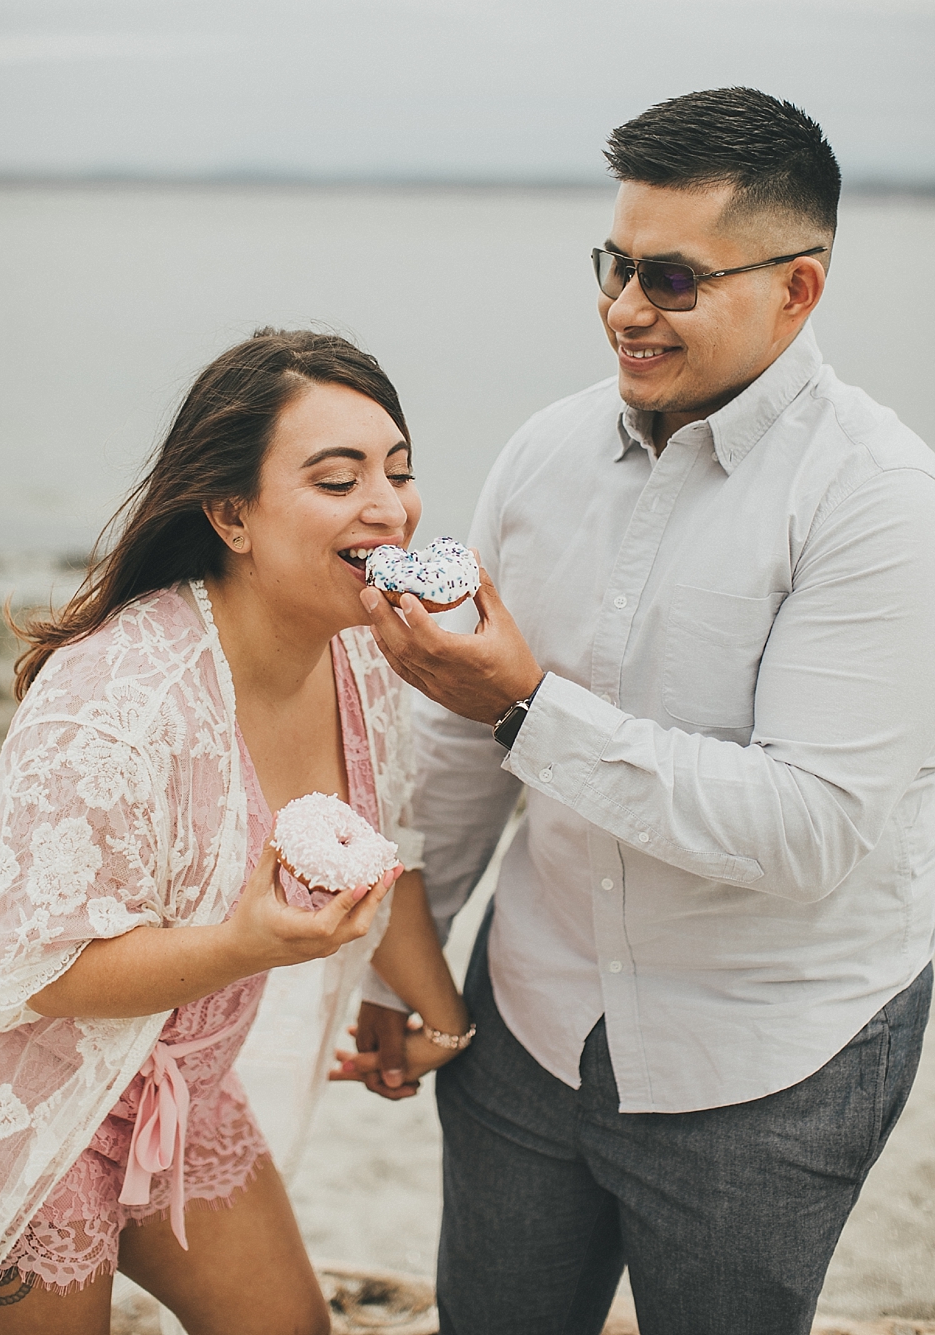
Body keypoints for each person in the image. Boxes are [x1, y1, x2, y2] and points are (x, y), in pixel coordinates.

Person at [341, 88, 935, 1335]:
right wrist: (407, 957)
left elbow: (809, 828)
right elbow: (454, 740)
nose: (621, 306)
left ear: (797, 289)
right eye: (612, 262)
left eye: (668, 276)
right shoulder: (541, 452)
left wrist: (524, 703)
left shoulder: (878, 502)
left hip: (771, 1051)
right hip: (528, 1011)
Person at [0, 331, 478, 1335]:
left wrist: (436, 1017)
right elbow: (38, 970)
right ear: (230, 513)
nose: (387, 506)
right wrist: (240, 947)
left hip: (177, 1086)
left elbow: (377, 862)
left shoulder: (362, 659)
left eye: (398, 472)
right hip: (28, 1101)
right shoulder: (114, 702)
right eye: (336, 478)